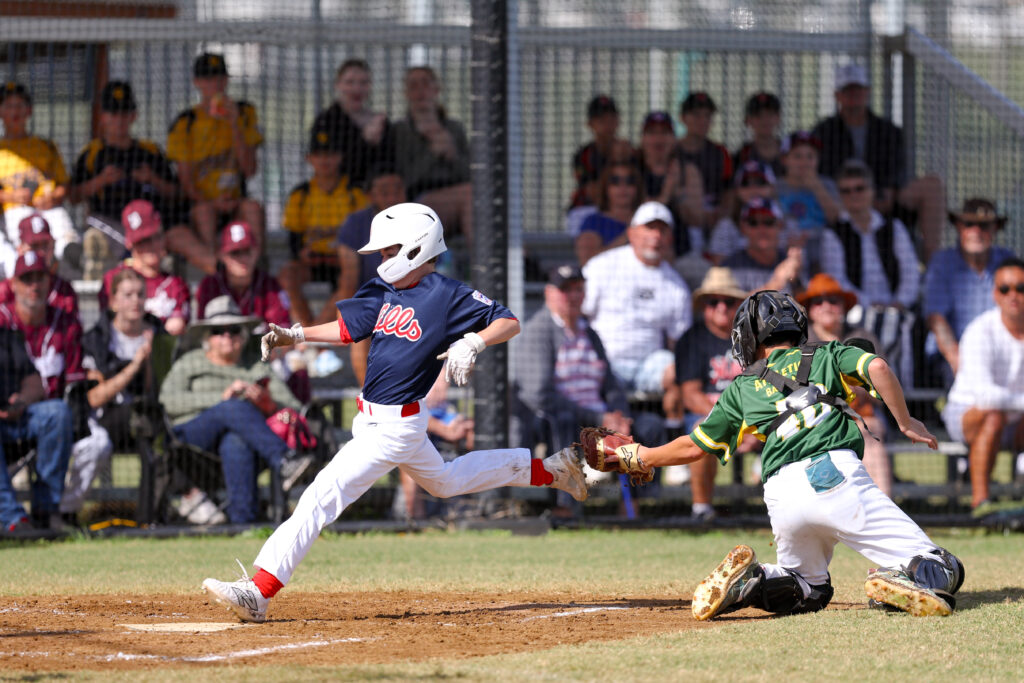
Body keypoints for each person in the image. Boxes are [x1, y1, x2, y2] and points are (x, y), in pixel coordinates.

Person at [201, 203, 588, 622]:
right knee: (445, 481)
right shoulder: (382, 289)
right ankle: (549, 470)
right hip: (374, 420)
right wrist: (296, 335)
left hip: (396, 427)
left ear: (417, 248)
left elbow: (508, 321)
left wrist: (473, 342)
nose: (382, 258)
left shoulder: (446, 293)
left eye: (389, 251)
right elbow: (348, 329)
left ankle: (259, 592)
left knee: (321, 495)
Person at [614, 289, 964, 618]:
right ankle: (901, 575)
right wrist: (905, 422)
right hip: (835, 476)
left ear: (751, 337)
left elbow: (694, 446)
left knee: (809, 588)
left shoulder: (742, 387)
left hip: (781, 493)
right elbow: (878, 368)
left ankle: (755, 580)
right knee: (943, 565)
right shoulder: (826, 354)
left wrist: (639, 455)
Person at [512, 264, 660, 514]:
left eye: (578, 289)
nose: (573, 296)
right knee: (564, 423)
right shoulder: (539, 331)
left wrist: (620, 416)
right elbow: (539, 394)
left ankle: (635, 508)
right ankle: (565, 508)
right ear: (549, 293)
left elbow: (611, 384)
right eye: (565, 290)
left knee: (649, 426)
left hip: (599, 416)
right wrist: (598, 418)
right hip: (558, 416)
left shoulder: (589, 333)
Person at [160, 296, 314, 525]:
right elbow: (168, 400)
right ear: (207, 338)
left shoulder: (255, 365)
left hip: (244, 436)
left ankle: (243, 523)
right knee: (233, 406)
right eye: (218, 331)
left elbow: (293, 406)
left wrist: (268, 404)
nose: (227, 337)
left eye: (233, 330)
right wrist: (221, 398)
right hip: (192, 433)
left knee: (235, 442)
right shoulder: (190, 362)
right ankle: (283, 459)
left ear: (243, 336)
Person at [69, 80, 208, 278]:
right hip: (110, 222)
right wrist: (100, 181)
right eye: (113, 113)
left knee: (168, 236)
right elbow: (73, 196)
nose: (119, 120)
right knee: (99, 235)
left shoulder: (149, 151)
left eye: (125, 113)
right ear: (103, 117)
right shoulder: (92, 153)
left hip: (150, 226)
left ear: (134, 115)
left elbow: (177, 192)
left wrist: (152, 179)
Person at [61, 268, 166, 517]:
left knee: (150, 432)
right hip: (107, 419)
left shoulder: (157, 333)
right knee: (132, 423)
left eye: (140, 294)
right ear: (113, 301)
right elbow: (95, 397)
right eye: (128, 295)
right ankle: (67, 513)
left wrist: (150, 360)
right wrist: (134, 365)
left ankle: (150, 517)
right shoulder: (98, 339)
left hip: (150, 418)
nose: (135, 301)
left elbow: (158, 390)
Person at [812, 64, 944, 259]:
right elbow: (823, 173)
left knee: (933, 185)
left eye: (858, 90)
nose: (854, 96)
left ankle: (933, 263)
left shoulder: (888, 131)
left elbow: (897, 170)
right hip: (842, 200)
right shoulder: (823, 132)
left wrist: (886, 190)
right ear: (837, 95)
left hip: (883, 200)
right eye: (848, 91)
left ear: (868, 92)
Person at [581, 201, 691, 423]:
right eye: (649, 228)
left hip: (648, 366)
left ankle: (674, 431)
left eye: (662, 230)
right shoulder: (602, 266)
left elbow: (678, 341)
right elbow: (579, 317)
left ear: (670, 238)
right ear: (631, 233)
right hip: (605, 362)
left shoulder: (676, 285)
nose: (656, 236)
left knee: (680, 370)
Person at [0, 251, 80, 531]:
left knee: (57, 413)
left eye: (39, 278)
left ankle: (46, 511)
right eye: (27, 279)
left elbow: (34, 380)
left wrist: (21, 401)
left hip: (14, 418)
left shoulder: (6, 334)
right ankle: (12, 519)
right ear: (14, 285)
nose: (34, 285)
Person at [942, 257, 1024, 512]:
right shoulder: (980, 331)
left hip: (1016, 415)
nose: (1013, 295)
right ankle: (981, 503)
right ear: (995, 294)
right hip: (966, 411)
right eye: (1005, 289)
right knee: (993, 417)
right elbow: (985, 397)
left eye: (1021, 288)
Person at [798, 273, 890, 496]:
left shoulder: (862, 338)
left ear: (843, 306)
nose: (826, 306)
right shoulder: (799, 342)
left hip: (862, 415)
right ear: (810, 309)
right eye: (818, 301)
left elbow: (883, 388)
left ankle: (883, 507)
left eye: (833, 301)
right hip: (813, 419)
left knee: (869, 431)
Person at [166, 53, 264, 255]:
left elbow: (249, 170)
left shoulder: (244, 113)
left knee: (253, 208)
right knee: (205, 213)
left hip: (235, 201)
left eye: (220, 78)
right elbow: (186, 183)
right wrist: (212, 202)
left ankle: (256, 268)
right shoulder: (186, 123)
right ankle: (213, 270)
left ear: (227, 80)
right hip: (202, 204)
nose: (215, 85)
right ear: (197, 82)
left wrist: (234, 124)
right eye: (208, 79)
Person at [672, 268, 747, 521]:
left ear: (738, 306)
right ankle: (701, 509)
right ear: (704, 306)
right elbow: (690, 395)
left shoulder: (752, 340)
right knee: (702, 431)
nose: (721, 307)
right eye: (714, 301)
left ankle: (789, 512)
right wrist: (730, 421)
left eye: (729, 301)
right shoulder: (691, 340)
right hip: (708, 415)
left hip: (753, 415)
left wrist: (749, 422)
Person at [278, 125, 368, 326]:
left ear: (340, 157)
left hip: (345, 262)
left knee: (349, 279)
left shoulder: (355, 193)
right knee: (288, 275)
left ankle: (312, 333)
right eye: (318, 155)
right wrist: (301, 253)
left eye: (330, 154)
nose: (325, 160)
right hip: (313, 262)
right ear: (309, 158)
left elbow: (364, 233)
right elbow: (294, 237)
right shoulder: (301, 194)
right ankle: (307, 328)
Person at [924, 198, 1015, 380]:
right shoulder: (942, 262)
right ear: (959, 226)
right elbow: (936, 318)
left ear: (995, 228)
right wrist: (957, 360)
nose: (976, 231)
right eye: (969, 224)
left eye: (984, 225)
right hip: (954, 356)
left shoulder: (1007, 261)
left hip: (1002, 353)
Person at [335, 164, 407, 384]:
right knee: (358, 321)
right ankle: (368, 392)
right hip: (371, 297)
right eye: (384, 192)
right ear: (370, 195)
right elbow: (349, 276)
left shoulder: (419, 220)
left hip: (412, 295)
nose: (392, 197)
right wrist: (346, 311)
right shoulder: (356, 223)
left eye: (397, 190)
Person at [0, 81, 78, 278]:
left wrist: (53, 198)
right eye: (8, 106)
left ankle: (76, 259)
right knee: (19, 248)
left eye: (19, 105)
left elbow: (64, 185)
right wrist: (12, 196)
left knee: (64, 234)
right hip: (14, 211)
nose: (14, 111)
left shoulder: (45, 145)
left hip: (48, 209)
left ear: (29, 110)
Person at [819, 160, 920, 310]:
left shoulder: (895, 227)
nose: (853, 195)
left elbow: (910, 272)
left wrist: (899, 302)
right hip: (854, 312)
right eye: (846, 191)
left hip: (898, 309)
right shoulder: (832, 234)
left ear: (872, 191)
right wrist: (869, 305)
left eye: (859, 189)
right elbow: (837, 280)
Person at [393, 67, 472, 248]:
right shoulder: (399, 131)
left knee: (474, 195)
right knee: (470, 195)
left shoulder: (454, 129)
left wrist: (452, 154)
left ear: (436, 89)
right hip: (417, 202)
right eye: (413, 85)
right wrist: (432, 154)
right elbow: (403, 180)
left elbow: (469, 175)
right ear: (406, 93)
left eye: (426, 84)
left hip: (459, 198)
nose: (420, 91)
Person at [98, 200, 190, 336]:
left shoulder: (176, 284)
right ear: (130, 244)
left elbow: (177, 328)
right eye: (142, 241)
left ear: (163, 238)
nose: (151, 246)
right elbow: (110, 325)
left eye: (155, 237)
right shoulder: (113, 278)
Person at [312, 58, 395, 187]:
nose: (357, 88)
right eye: (350, 82)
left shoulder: (380, 123)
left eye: (363, 82)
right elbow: (328, 166)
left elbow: (390, 164)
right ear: (338, 85)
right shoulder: (325, 122)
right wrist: (364, 140)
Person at [195, 220, 290, 333]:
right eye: (235, 253)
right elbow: (204, 332)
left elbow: (282, 331)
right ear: (221, 255)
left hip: (262, 344)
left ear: (257, 251)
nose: (243, 259)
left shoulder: (270, 286)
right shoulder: (209, 285)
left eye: (247, 251)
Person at [636, 111, 702, 255]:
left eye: (664, 133)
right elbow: (633, 213)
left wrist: (679, 196)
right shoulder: (634, 169)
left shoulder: (686, 170)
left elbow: (697, 219)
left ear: (673, 139)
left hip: (681, 251)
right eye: (652, 133)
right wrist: (666, 193)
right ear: (643, 138)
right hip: (641, 252)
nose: (658, 139)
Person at [775, 131, 839, 270]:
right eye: (797, 156)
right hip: (785, 250)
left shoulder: (828, 185)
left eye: (810, 156)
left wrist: (816, 187)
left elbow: (837, 219)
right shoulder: (774, 187)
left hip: (824, 253)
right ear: (784, 160)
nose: (804, 162)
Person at [0, 214, 79, 319]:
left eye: (45, 245)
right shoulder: (4, 291)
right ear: (20, 249)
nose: (41, 252)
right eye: (35, 246)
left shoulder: (64, 291)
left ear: (52, 246)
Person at [721, 198, 805, 294]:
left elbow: (803, 300)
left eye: (768, 222)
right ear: (743, 228)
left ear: (780, 225)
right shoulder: (730, 268)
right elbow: (732, 303)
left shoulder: (788, 261)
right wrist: (776, 283)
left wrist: (795, 279)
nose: (761, 229)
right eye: (753, 222)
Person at [675, 92, 732, 231]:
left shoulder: (720, 152)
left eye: (707, 116)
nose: (703, 120)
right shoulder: (672, 152)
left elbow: (729, 190)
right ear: (682, 118)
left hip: (714, 219)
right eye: (696, 115)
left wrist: (721, 214)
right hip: (681, 222)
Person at [706, 160, 779, 264]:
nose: (753, 189)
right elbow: (720, 266)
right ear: (737, 190)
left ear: (772, 188)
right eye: (746, 183)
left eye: (760, 183)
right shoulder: (726, 226)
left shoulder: (783, 223)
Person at [575, 161, 642, 266]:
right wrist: (628, 235)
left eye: (630, 181)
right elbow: (587, 262)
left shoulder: (648, 221)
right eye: (615, 181)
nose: (623, 187)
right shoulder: (593, 222)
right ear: (605, 187)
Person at [733, 92, 784, 178]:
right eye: (758, 115)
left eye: (770, 114)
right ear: (748, 120)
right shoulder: (741, 157)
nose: (765, 120)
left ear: (778, 118)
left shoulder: (792, 153)